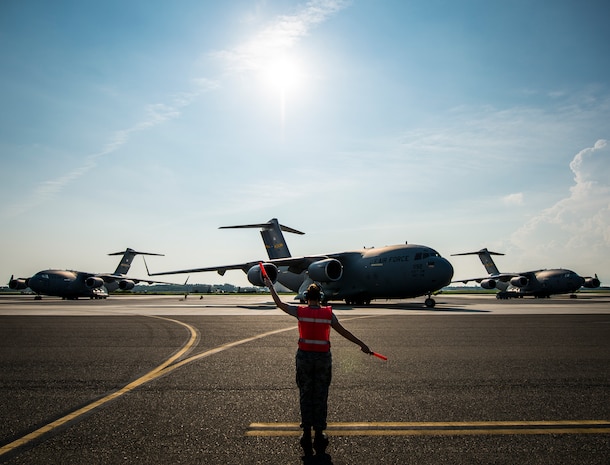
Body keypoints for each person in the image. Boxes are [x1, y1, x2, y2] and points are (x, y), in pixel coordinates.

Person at [263, 277, 373, 456]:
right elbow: (344, 332)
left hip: (304, 358)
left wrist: (270, 286)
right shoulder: (328, 314)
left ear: (306, 297)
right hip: (323, 359)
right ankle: (319, 433)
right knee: (321, 395)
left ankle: (306, 433)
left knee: (306, 394)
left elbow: (279, 303)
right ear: (320, 298)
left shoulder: (300, 311)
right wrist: (361, 344)